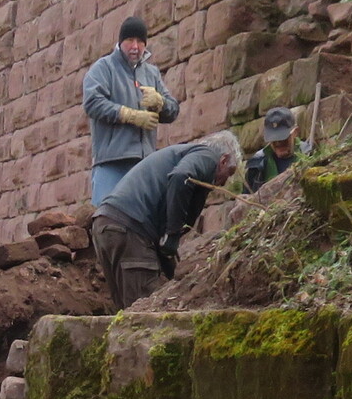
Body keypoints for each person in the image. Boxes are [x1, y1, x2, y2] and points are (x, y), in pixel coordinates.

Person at [91, 130, 243, 308]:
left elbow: (161, 215)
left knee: (125, 310)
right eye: (229, 172)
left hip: (105, 224)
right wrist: (173, 235)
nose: (224, 183)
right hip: (129, 228)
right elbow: (181, 177)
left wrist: (170, 259)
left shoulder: (179, 155)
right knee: (143, 313)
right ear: (223, 160)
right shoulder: (207, 155)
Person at [80, 16, 180, 205]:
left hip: (145, 165)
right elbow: (92, 103)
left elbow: (173, 110)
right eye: (130, 40)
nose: (135, 46)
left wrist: (161, 103)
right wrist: (129, 115)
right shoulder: (103, 68)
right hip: (111, 163)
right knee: (106, 217)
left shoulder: (152, 73)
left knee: (144, 220)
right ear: (120, 42)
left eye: (140, 41)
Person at [246, 106, 305, 191]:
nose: (278, 142)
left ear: (295, 132)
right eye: (273, 138)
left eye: (282, 138)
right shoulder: (257, 164)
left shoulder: (310, 154)